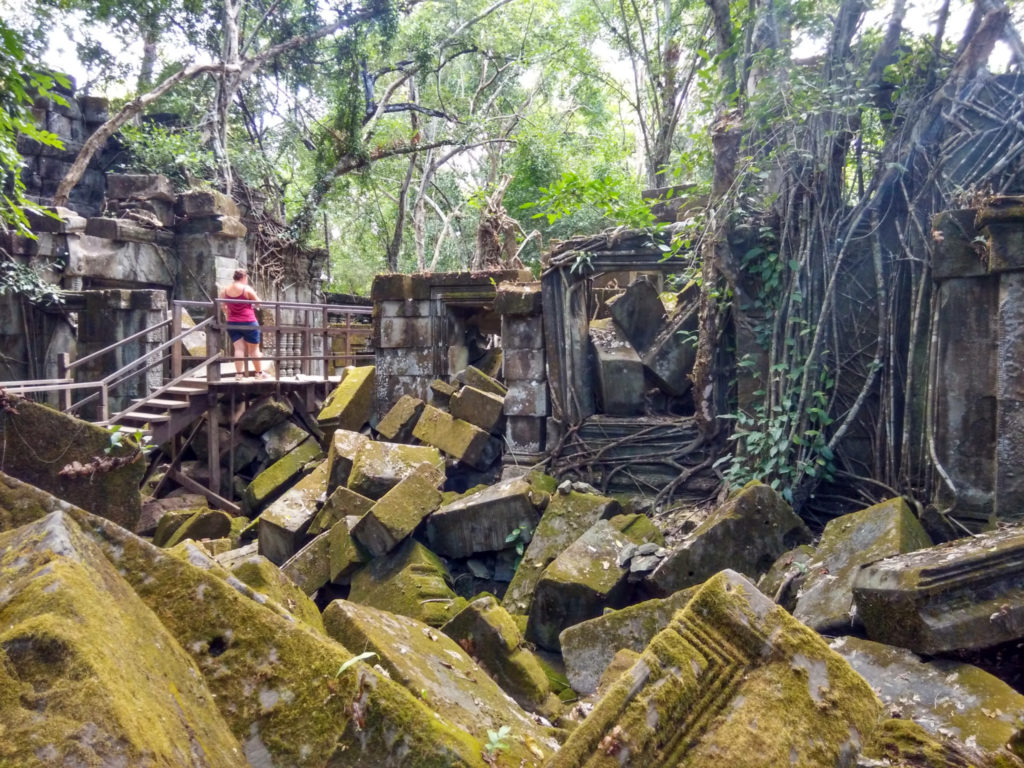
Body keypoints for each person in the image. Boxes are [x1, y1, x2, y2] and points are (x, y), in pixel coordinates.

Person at [220, 269, 268, 380]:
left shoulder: (225, 290)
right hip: (248, 321)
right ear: (244, 277)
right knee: (254, 349)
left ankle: (239, 374)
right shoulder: (246, 289)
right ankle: (259, 373)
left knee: (238, 349)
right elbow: (258, 303)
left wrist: (229, 312)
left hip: (232, 322)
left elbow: (223, 306)